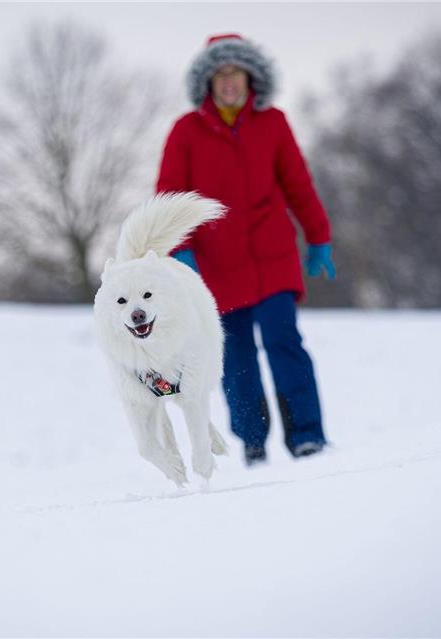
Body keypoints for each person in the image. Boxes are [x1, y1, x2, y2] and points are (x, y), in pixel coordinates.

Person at [156, 33, 336, 465]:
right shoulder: (186, 130)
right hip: (216, 265)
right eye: (220, 73)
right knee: (235, 356)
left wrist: (319, 236)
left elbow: (298, 184)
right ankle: (253, 442)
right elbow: (169, 195)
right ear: (208, 81)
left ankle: (307, 437)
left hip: (273, 258)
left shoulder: (272, 122)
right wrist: (178, 249)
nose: (229, 80)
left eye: (236, 71)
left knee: (284, 342)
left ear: (251, 76)